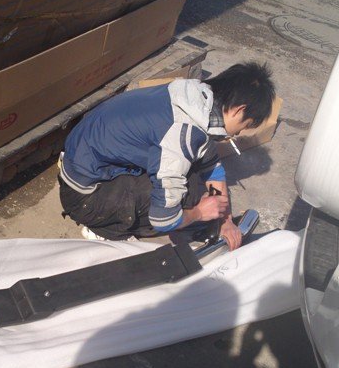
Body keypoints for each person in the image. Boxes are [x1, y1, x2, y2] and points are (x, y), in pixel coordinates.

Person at [59, 62, 276, 250]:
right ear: (239, 110)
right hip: (85, 197)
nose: (238, 133)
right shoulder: (183, 132)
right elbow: (163, 220)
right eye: (245, 126)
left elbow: (212, 167)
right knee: (184, 197)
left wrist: (224, 220)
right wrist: (199, 213)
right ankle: (105, 229)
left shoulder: (193, 98)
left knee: (191, 181)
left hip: (89, 164)